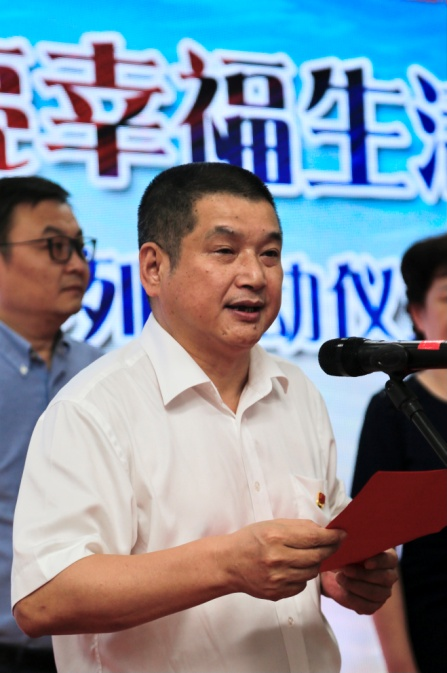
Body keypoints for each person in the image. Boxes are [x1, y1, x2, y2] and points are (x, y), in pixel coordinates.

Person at [12, 162, 397, 673]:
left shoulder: (298, 391)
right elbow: (43, 599)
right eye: (225, 251)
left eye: (270, 254)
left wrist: (341, 575)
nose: (255, 276)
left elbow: (324, 547)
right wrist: (226, 565)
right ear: (154, 268)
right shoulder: (92, 408)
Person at [0, 176, 102, 673]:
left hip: (92, 651)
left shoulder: (103, 373)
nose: (78, 265)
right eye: (55, 247)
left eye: (81, 248)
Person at [351, 232, 447, 673]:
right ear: (417, 314)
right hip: (435, 634)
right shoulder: (394, 409)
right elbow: (374, 546)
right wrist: (401, 665)